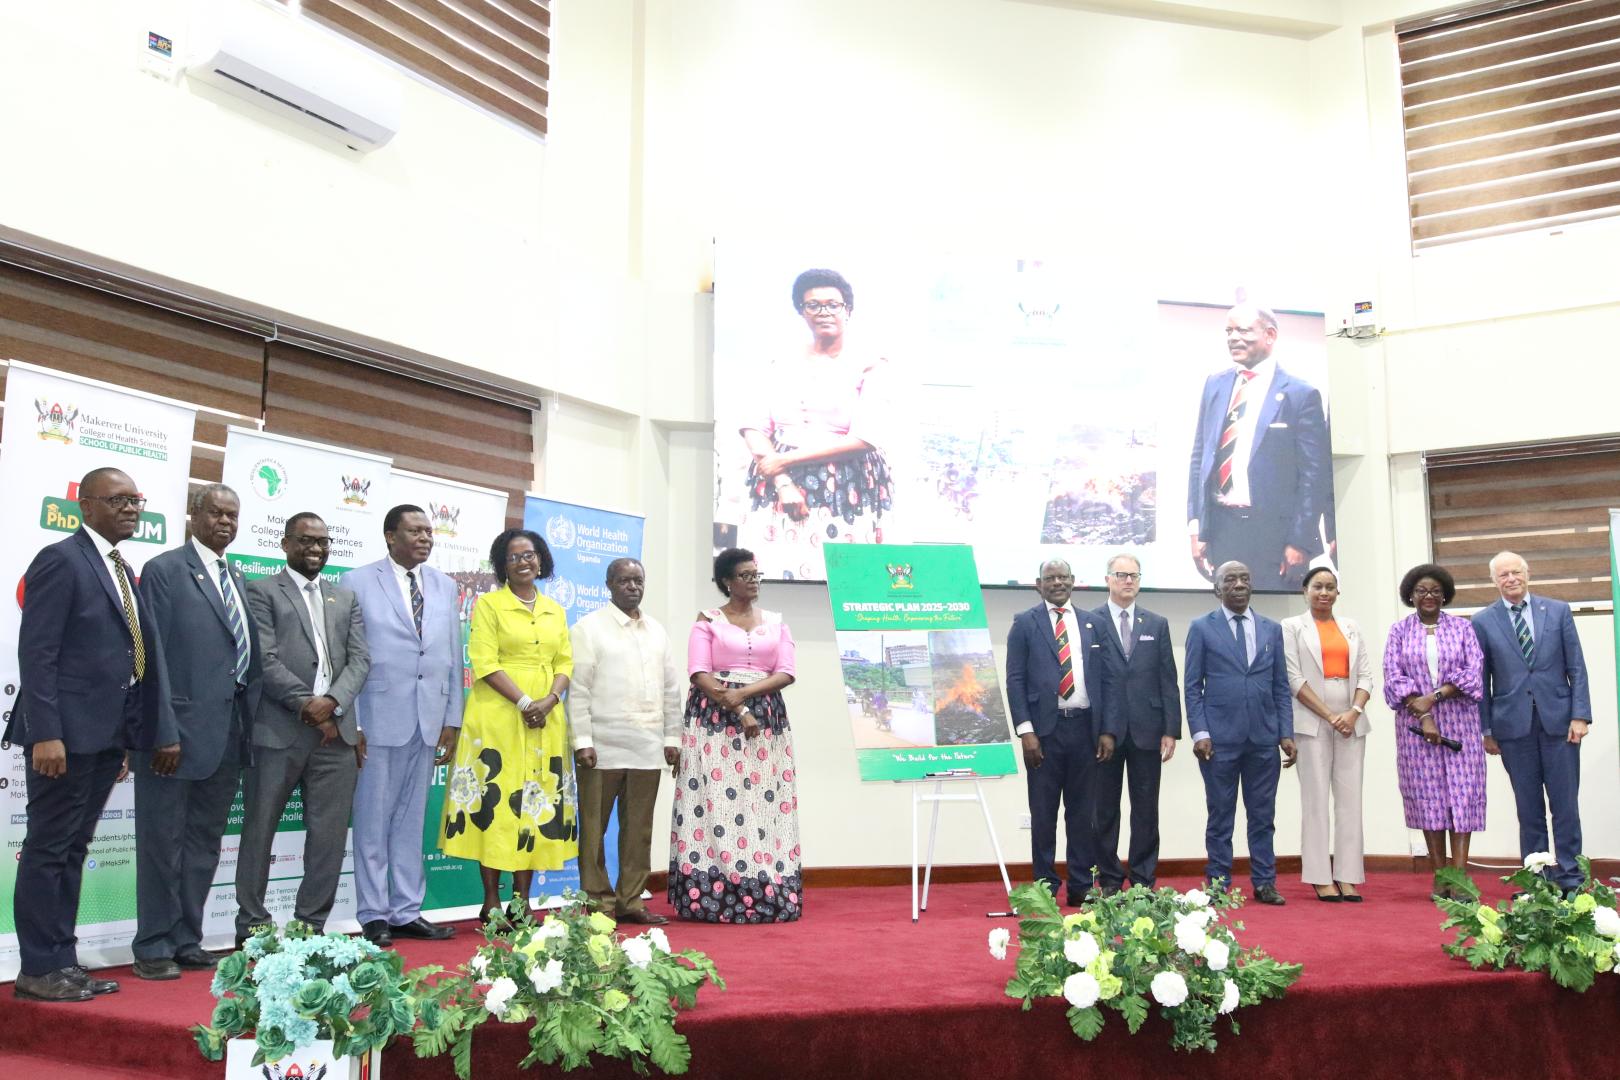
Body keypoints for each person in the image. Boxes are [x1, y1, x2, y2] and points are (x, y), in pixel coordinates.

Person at [8, 468, 176, 1002]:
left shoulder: (122, 567)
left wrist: (125, 738)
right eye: (119, 500)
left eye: (137, 500)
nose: (132, 508)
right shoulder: (62, 559)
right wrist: (45, 734)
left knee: (73, 849)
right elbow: (37, 654)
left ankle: (61, 960)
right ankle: (37, 967)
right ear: (87, 506)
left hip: (105, 737)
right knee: (48, 848)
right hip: (62, 737)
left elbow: (127, 658)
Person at [132, 484, 262, 979]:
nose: (225, 522)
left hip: (227, 734)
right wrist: (161, 730)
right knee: (162, 842)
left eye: (233, 515)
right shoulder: (166, 570)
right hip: (175, 737)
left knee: (204, 842)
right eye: (216, 513)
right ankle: (152, 945)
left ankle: (187, 936)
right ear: (194, 515)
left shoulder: (238, 576)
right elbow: (153, 657)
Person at [236, 512, 370, 941]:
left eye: (323, 542)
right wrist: (307, 705)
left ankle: (309, 926)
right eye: (306, 541)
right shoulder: (261, 592)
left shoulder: (344, 597)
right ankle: (252, 924)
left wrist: (332, 703)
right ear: (286, 544)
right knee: (260, 829)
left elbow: (360, 659)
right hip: (279, 731)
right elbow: (264, 660)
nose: (316, 549)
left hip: (337, 737)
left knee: (328, 838)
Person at [441, 528, 576, 921]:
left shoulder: (555, 610)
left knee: (533, 803)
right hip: (499, 717)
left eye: (530, 555)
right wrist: (523, 702)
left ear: (541, 560)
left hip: (545, 719)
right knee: (495, 804)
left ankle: (522, 901)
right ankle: (490, 901)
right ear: (502, 564)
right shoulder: (489, 606)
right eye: (515, 556)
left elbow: (565, 663)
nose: (524, 562)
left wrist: (549, 700)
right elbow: (483, 663)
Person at [346, 504, 462, 946]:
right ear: (390, 536)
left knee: (412, 823)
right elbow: (348, 656)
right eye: (415, 531)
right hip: (377, 720)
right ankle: (374, 914)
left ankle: (407, 910)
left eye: (429, 532)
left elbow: (451, 655)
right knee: (373, 821)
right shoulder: (357, 581)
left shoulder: (444, 586)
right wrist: (352, 722)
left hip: (428, 721)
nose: (425, 538)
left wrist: (452, 719)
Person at [669, 548, 801, 923]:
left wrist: (744, 695)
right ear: (727, 581)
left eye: (757, 574)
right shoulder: (708, 620)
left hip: (766, 718)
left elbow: (787, 671)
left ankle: (765, 886)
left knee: (762, 801)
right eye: (746, 575)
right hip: (713, 717)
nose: (754, 581)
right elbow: (698, 672)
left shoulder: (776, 622)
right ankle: (713, 892)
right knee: (714, 801)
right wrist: (735, 706)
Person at [737, 268, 894, 579]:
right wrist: (783, 481)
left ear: (848, 310)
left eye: (833, 304)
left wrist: (784, 459)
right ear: (801, 311)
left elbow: (866, 438)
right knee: (774, 571)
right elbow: (753, 426)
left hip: (846, 484)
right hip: (777, 484)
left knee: (844, 577)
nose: (824, 312)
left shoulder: (871, 363)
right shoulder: (779, 361)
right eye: (813, 305)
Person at [1470, 552, 1591, 892]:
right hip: (1512, 728)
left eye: (1516, 572)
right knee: (1529, 808)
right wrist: (1487, 729)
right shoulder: (1482, 621)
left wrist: (1580, 715)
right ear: (1494, 581)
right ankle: (1537, 879)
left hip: (1560, 723)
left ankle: (1570, 876)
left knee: (1566, 805)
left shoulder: (1558, 611)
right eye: (1503, 574)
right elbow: (1482, 681)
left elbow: (1577, 668)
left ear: (1527, 574)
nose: (1511, 578)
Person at [1187, 303, 1330, 590]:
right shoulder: (1215, 385)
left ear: (1270, 335)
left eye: (1243, 330)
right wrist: (1196, 527)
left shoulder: (1300, 394)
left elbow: (1314, 477)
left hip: (1275, 536)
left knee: (1275, 623)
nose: (1233, 338)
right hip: (1222, 529)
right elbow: (1200, 458)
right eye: (1229, 330)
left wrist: (1298, 540)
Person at [570, 558, 682, 925]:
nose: (633, 587)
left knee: (639, 831)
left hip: (647, 746)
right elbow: (579, 690)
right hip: (600, 747)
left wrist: (671, 737)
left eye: (638, 580)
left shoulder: (657, 632)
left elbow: (670, 689)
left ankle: (630, 900)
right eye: (624, 581)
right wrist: (582, 740)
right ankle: (597, 902)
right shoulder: (588, 629)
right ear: (609, 584)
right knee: (593, 829)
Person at [1184, 561, 1296, 904]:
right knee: (1221, 815)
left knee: (1263, 816)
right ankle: (1218, 883)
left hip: (1263, 738)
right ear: (1217, 588)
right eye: (1230, 579)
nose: (1238, 584)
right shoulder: (1202, 628)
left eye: (1244, 579)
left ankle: (1265, 882)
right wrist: (1200, 732)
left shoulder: (1271, 629)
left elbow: (1280, 686)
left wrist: (1286, 733)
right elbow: (1192, 687)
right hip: (1218, 741)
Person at [1005, 559, 1115, 906]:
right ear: (1039, 585)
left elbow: (1107, 680)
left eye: (1063, 577)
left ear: (1073, 582)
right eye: (1050, 578)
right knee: (1043, 812)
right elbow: (1015, 680)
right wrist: (1026, 732)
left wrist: (1108, 730)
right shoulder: (1024, 623)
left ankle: (1081, 885)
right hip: (1043, 734)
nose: (1057, 583)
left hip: (1085, 729)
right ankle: (1045, 886)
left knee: (1083, 813)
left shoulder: (1093, 623)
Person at [1384, 564, 1486, 893]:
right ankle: (1440, 877)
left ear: (1445, 596)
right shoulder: (1399, 631)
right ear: (1410, 596)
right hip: (1415, 726)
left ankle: (1460, 877)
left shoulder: (1462, 629)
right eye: (1421, 591)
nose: (1428, 596)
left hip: (1460, 723)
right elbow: (1393, 677)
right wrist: (1425, 714)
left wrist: (1436, 696)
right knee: (1429, 798)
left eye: (1435, 591)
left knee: (1462, 795)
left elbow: (1474, 672)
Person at [1280, 567, 1373, 903]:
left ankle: (1348, 875)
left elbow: (1365, 675)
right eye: (1317, 586)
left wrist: (1353, 712)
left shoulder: (1351, 628)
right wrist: (1331, 715)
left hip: (1352, 721)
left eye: (1330, 587)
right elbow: (1293, 679)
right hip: (1311, 720)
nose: (1324, 592)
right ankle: (1320, 877)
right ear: (1305, 590)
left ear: (1337, 592)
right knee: (1315, 801)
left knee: (1351, 801)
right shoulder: (1291, 627)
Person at [1089, 554, 1180, 892]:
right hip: (1105, 734)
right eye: (1121, 575)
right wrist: (1095, 728)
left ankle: (1143, 878)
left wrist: (1171, 729)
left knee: (1145, 810)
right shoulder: (1091, 621)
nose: (1128, 581)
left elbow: (1168, 678)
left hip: (1148, 730)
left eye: (1134, 576)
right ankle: (1110, 877)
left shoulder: (1156, 623)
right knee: (1104, 811)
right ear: (1108, 579)